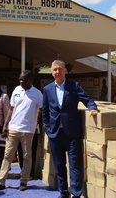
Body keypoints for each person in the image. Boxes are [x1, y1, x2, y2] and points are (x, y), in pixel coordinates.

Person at [42, 60, 99, 198]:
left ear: (65, 71)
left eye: (60, 69)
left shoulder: (74, 86)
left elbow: (87, 99)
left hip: (72, 133)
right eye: (55, 70)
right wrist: (48, 130)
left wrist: (93, 108)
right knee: (59, 165)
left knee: (74, 165)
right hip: (55, 134)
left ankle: (76, 193)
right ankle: (63, 192)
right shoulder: (47, 89)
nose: (57, 72)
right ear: (52, 72)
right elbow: (45, 113)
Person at [0, 70, 42, 192]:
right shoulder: (16, 90)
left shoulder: (37, 93)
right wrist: (6, 125)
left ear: (30, 80)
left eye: (24, 79)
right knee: (7, 155)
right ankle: (1, 182)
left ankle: (24, 181)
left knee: (27, 156)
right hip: (13, 128)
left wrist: (35, 123)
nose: (21, 81)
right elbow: (11, 109)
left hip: (28, 130)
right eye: (20, 79)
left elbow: (40, 110)